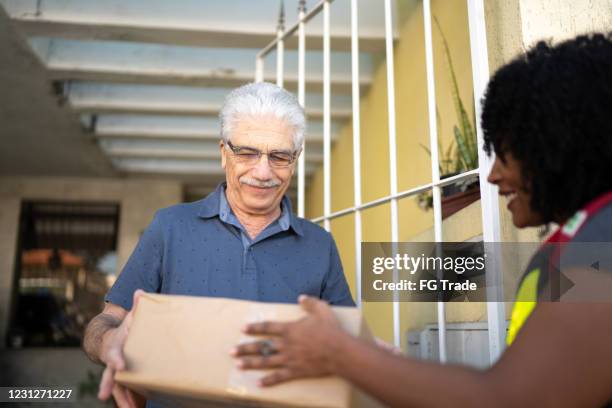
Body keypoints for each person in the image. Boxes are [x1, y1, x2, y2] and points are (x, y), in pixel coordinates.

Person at [232, 33, 612, 407]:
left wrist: (342, 353)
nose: (493, 174)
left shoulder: (603, 243)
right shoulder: (584, 238)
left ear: (556, 146)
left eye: (508, 152)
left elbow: (510, 398)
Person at [83, 82, 355, 408]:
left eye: (279, 156)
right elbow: (106, 321)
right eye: (248, 152)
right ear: (224, 153)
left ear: (295, 159)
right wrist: (110, 343)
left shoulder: (320, 245)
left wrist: (374, 357)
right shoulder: (170, 227)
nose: (263, 171)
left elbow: (347, 345)